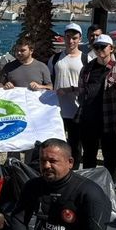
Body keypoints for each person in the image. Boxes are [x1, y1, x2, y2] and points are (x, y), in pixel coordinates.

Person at [76, 34, 116, 180]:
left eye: (103, 46)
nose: (99, 49)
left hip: (110, 120)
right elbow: (82, 93)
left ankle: (110, 184)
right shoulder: (87, 68)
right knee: (88, 155)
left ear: (111, 48)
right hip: (89, 118)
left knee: (110, 156)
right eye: (96, 47)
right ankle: (88, 183)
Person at [47, 24, 85, 165]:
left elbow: (88, 85)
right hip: (57, 109)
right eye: (68, 37)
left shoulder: (86, 59)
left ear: (80, 39)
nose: (71, 41)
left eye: (74, 38)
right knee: (57, 144)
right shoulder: (55, 59)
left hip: (77, 109)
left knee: (75, 144)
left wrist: (71, 89)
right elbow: (49, 81)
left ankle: (74, 171)